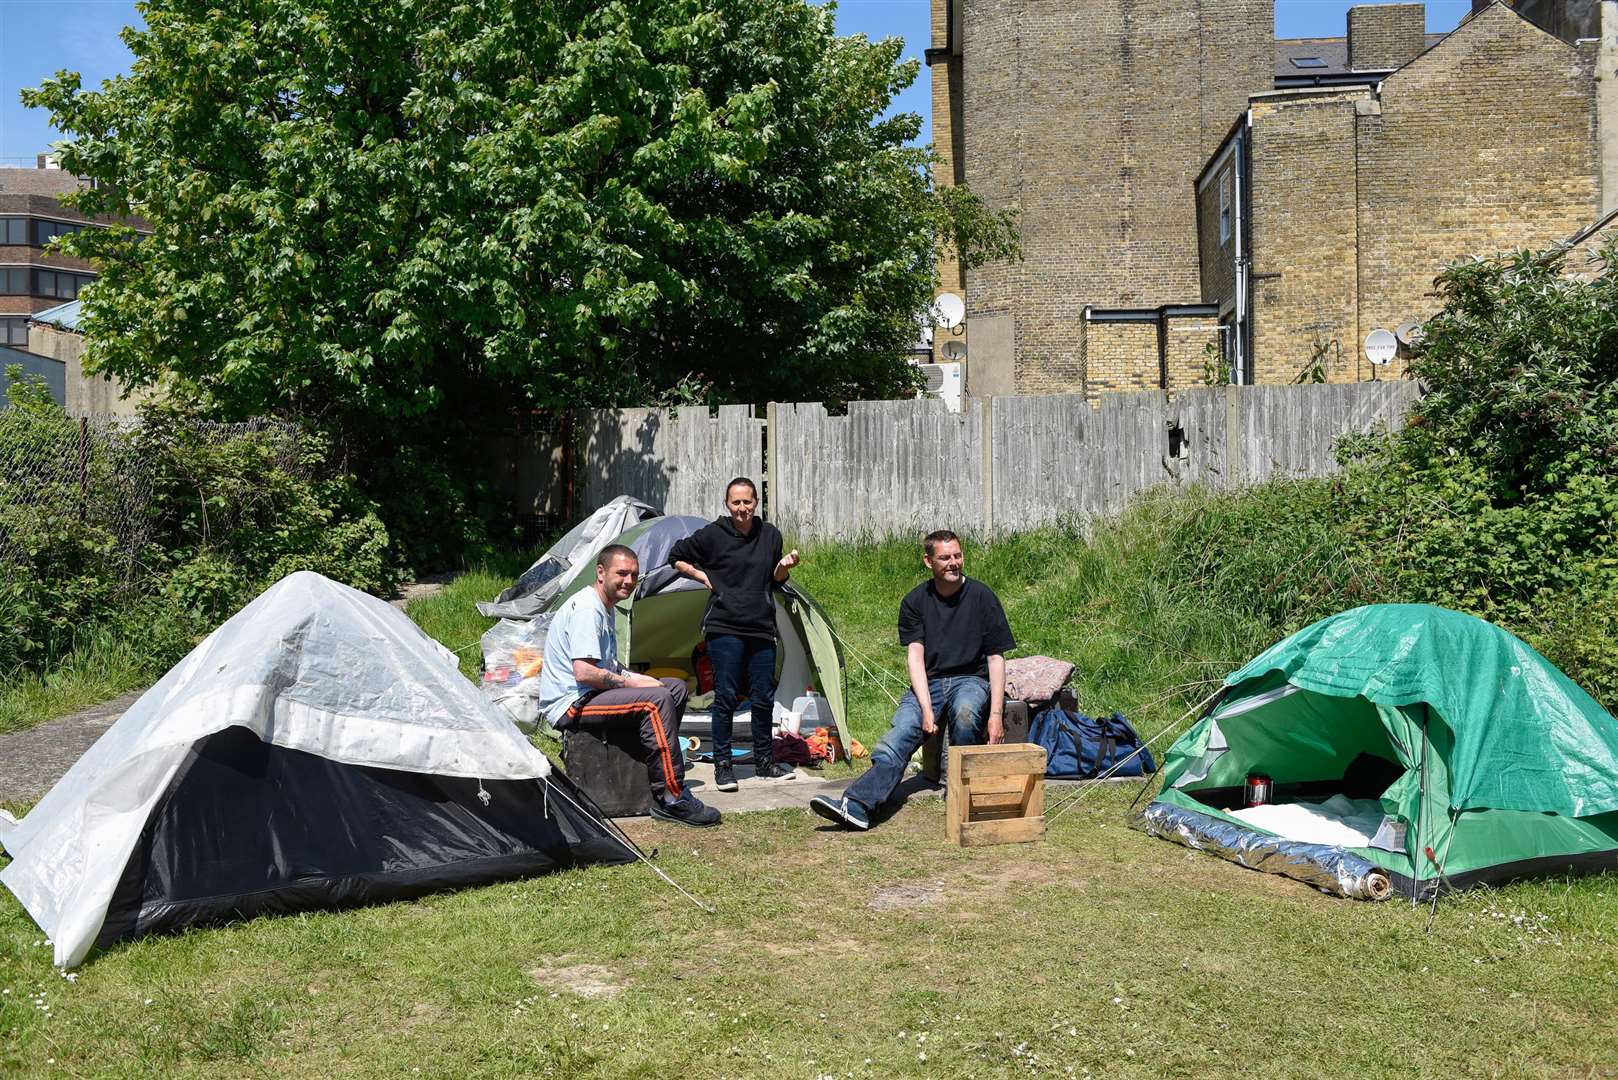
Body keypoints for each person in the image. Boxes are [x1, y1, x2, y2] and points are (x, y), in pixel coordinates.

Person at [810, 530, 1014, 830]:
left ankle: (962, 794)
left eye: (957, 555)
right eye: (945, 557)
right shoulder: (915, 601)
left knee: (966, 713)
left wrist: (996, 715)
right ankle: (858, 804)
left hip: (971, 679)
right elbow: (915, 658)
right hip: (929, 681)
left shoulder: (983, 597)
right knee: (900, 733)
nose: (953, 563)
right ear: (928, 561)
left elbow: (996, 658)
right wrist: (927, 709)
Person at [537, 544, 721, 827]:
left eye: (634, 575)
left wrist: (651, 681)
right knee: (655, 700)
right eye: (621, 573)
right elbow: (585, 672)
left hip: (593, 694)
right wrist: (638, 686)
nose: (629, 581)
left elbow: (610, 668)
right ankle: (673, 798)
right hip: (572, 704)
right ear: (601, 572)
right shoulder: (588, 609)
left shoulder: (606, 606)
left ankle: (655, 777)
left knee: (674, 688)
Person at [670, 477, 802, 792]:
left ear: (757, 503)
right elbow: (676, 556)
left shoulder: (770, 535)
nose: (742, 508)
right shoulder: (713, 535)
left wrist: (784, 566)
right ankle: (724, 766)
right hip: (724, 626)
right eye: (736, 502)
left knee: (763, 697)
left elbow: (774, 579)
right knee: (726, 696)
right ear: (727, 504)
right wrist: (702, 576)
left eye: (747, 502)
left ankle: (765, 762)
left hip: (761, 626)